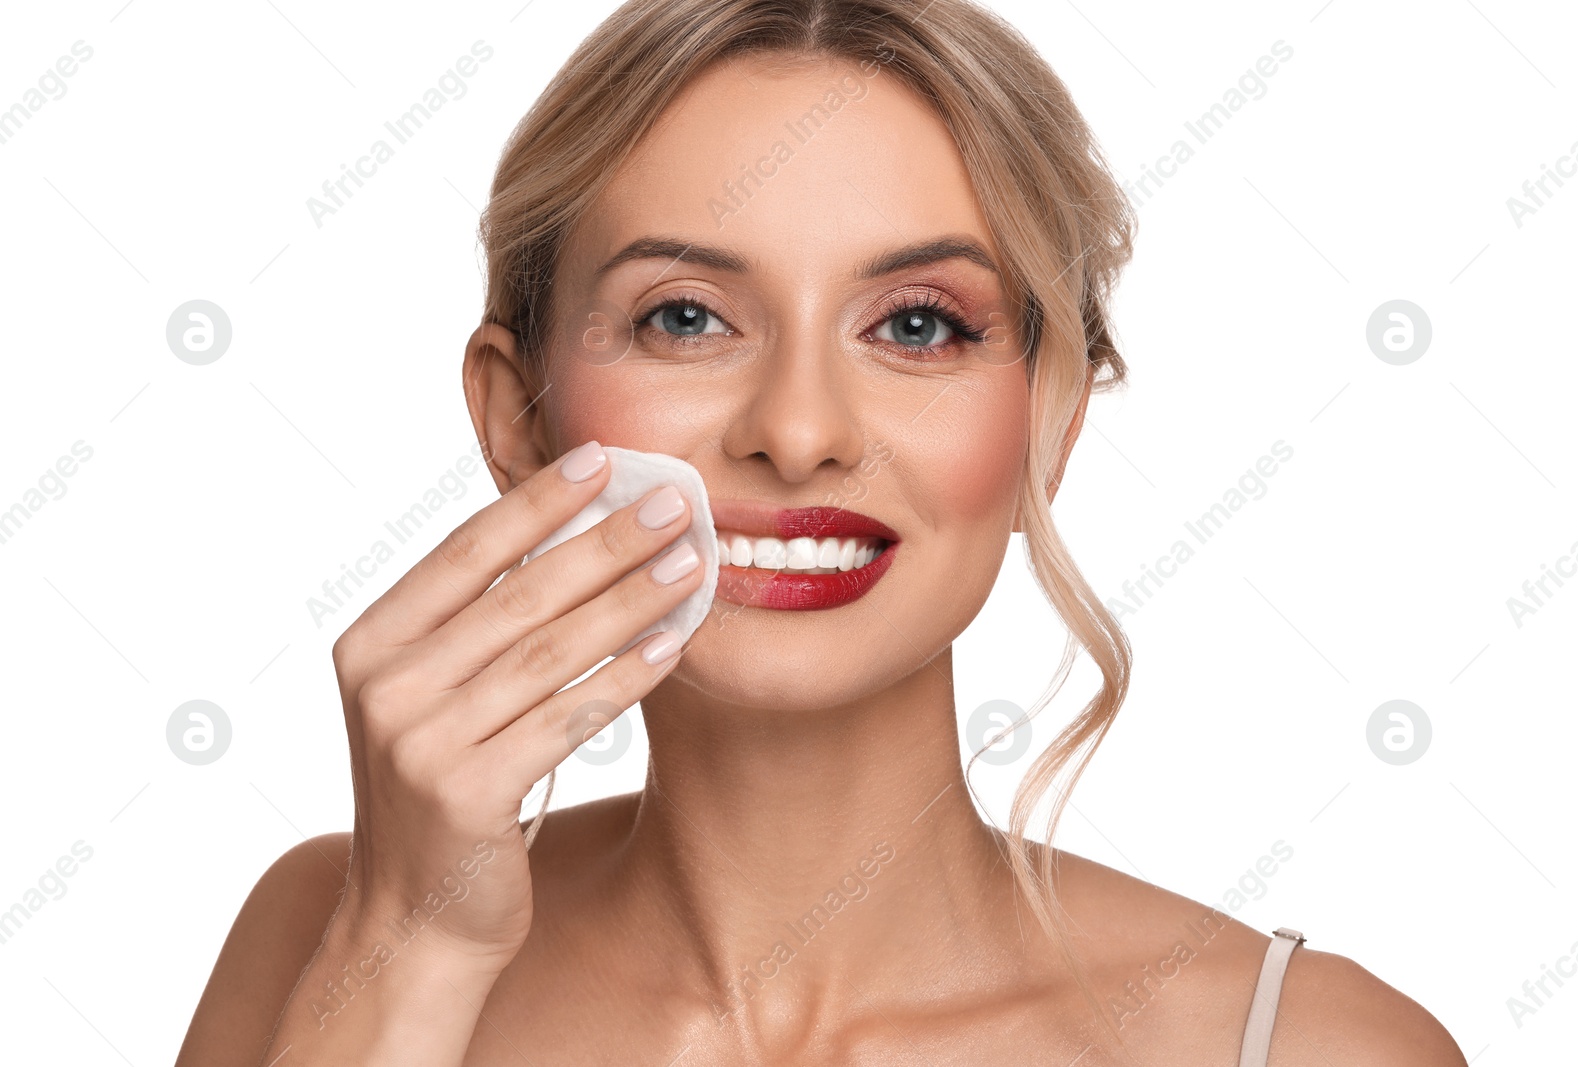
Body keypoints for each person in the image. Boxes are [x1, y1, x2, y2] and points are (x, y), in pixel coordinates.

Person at [176, 1, 1468, 1062]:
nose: (797, 433)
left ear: (1052, 421)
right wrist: (415, 952)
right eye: (686, 317)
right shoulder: (327, 929)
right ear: (519, 415)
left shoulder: (1308, 1047)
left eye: (917, 324)